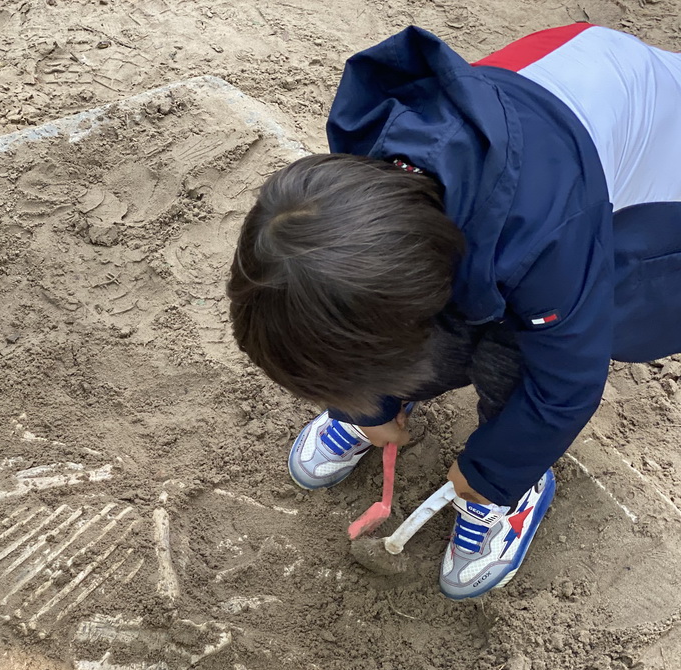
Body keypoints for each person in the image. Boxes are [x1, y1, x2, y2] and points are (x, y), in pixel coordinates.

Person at [227, 23, 681, 599]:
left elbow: (569, 381)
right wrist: (371, 401)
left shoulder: (544, 246)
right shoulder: (357, 189)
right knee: (453, 318)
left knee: (512, 349)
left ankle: (517, 488)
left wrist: (491, 471)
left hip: (652, 172)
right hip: (543, 119)